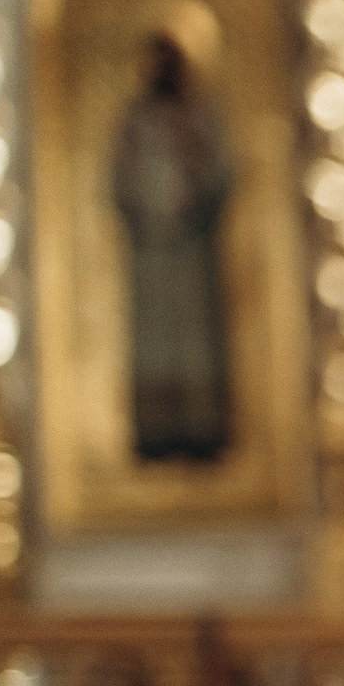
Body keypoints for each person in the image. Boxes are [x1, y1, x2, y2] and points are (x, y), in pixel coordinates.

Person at [113, 32, 234, 462]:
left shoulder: (199, 116)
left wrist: (194, 200)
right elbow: (119, 179)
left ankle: (201, 430)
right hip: (150, 255)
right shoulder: (136, 120)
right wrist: (143, 211)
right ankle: (156, 435)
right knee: (156, 342)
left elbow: (221, 172)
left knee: (195, 340)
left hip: (191, 253)